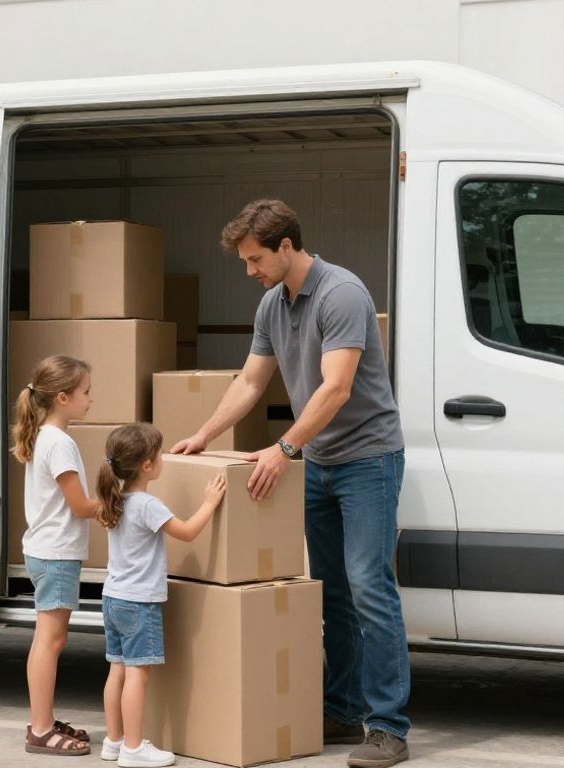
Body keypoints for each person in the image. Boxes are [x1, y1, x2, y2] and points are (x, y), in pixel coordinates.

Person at [170, 199, 410, 768]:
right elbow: (251, 382)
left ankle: (389, 727)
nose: (248, 270)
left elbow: (336, 388)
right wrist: (203, 434)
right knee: (331, 591)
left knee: (369, 586)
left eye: (254, 259)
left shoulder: (342, 294)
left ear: (286, 246)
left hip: (367, 461)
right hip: (319, 461)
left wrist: (284, 448)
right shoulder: (271, 306)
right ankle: (345, 709)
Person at [94, 422, 225, 768]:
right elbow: (187, 532)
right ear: (147, 466)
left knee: (117, 671)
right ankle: (134, 749)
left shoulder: (115, 500)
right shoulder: (147, 505)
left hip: (113, 598)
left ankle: (114, 740)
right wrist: (210, 502)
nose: (163, 457)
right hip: (139, 603)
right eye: (159, 453)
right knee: (139, 675)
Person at [13, 355, 102, 756]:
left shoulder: (45, 437)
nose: (91, 399)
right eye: (85, 392)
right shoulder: (60, 443)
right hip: (57, 554)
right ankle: (42, 729)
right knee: (50, 641)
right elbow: (80, 506)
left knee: (48, 639)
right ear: (62, 397)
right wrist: (122, 500)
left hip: (45, 550)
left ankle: (42, 720)